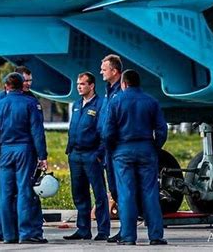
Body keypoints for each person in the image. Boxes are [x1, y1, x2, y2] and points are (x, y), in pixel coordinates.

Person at [103, 70, 168, 246]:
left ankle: (128, 236)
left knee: (126, 194)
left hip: (123, 151)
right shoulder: (151, 101)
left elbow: (108, 132)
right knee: (150, 193)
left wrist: (113, 149)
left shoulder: (116, 101)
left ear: (123, 84)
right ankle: (155, 236)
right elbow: (162, 130)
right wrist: (155, 147)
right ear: (139, 83)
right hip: (147, 149)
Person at [0, 72, 48, 244]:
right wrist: (42, 156)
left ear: (6, 86)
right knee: (24, 191)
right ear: (22, 86)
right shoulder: (30, 103)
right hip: (24, 150)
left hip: (5, 151)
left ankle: (8, 234)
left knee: (5, 194)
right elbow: (37, 132)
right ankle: (26, 233)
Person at [63, 72, 110, 241]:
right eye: (78, 84)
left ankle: (103, 230)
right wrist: (70, 150)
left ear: (92, 86)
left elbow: (103, 131)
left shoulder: (100, 104)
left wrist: (99, 154)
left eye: (83, 84)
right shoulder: (76, 105)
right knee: (79, 193)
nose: (79, 87)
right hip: (75, 155)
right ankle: (83, 229)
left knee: (99, 194)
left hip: (92, 154)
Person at [99, 54, 123, 243]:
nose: (101, 72)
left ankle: (127, 229)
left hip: (118, 149)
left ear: (114, 71)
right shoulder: (108, 92)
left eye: (104, 69)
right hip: (108, 149)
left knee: (122, 191)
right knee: (115, 190)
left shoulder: (121, 92)